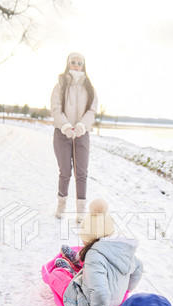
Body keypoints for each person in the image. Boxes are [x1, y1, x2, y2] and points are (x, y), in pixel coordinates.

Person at [48, 198, 143, 306]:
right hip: (116, 300)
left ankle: (68, 271)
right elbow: (139, 267)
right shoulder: (121, 250)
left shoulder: (93, 256)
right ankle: (78, 259)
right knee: (94, 268)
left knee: (55, 275)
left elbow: (100, 291)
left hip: (87, 304)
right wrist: (127, 288)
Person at [50, 52, 98, 222]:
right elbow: (55, 109)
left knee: (81, 172)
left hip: (82, 135)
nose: (76, 65)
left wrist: (81, 126)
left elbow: (92, 110)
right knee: (65, 172)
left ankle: (80, 212)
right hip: (62, 134)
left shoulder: (89, 88)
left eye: (79, 62)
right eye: (73, 62)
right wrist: (65, 126)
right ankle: (61, 207)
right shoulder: (60, 86)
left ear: (83, 65)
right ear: (68, 64)